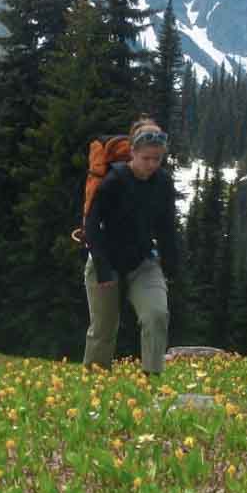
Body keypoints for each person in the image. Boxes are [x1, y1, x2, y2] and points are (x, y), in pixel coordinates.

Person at [83, 119, 179, 376]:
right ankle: (95, 381)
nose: (152, 164)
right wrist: (102, 268)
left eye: (157, 159)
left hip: (143, 261)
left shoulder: (163, 183)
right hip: (106, 260)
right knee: (103, 328)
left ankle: (152, 378)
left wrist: (171, 266)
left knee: (156, 315)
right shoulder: (114, 180)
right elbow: (92, 224)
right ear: (132, 152)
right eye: (146, 158)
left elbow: (167, 227)